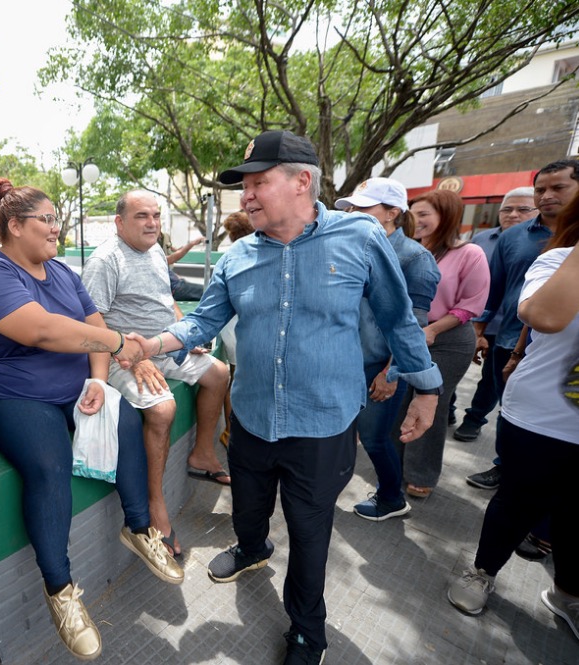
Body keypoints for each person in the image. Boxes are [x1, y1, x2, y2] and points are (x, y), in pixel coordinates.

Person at [126, 130, 443, 665]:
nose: (246, 196)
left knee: (310, 530)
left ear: (302, 181)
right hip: (251, 416)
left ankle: (307, 631)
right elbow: (205, 319)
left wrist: (427, 388)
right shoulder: (237, 256)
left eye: (257, 183)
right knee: (248, 506)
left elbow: (397, 317)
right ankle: (252, 549)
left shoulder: (360, 237)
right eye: (243, 186)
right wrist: (150, 344)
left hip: (322, 425)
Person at [0, 179, 183, 662]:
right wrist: (120, 346)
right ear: (15, 226)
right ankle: (61, 590)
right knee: (49, 463)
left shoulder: (61, 272)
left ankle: (140, 528)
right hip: (13, 396)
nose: (57, 228)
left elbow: (96, 330)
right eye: (48, 220)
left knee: (124, 422)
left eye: (58, 219)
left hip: (76, 389)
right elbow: (42, 330)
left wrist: (99, 382)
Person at [446, 192, 579, 645]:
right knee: (519, 499)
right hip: (547, 417)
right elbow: (539, 314)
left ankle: (566, 594)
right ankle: (483, 569)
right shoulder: (558, 259)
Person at [82, 190, 230, 558]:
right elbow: (91, 321)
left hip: (166, 347)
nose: (152, 223)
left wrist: (184, 334)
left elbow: (168, 302)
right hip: (125, 358)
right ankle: (155, 506)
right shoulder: (105, 261)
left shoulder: (155, 253)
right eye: (141, 216)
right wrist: (131, 352)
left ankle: (202, 455)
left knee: (220, 374)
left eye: (156, 216)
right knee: (163, 411)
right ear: (119, 222)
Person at [465, 160, 579, 490]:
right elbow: (496, 289)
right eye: (540, 189)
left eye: (558, 187)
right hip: (514, 339)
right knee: (511, 408)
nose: (547, 196)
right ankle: (506, 467)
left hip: (567, 350)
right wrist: (478, 330)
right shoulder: (514, 238)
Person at [333, 177, 440, 521]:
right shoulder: (349, 248)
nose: (352, 213)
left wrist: (391, 373)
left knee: (376, 439)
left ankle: (392, 497)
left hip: (381, 365)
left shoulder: (415, 258)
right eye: (350, 207)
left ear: (394, 212)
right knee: (342, 434)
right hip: (347, 361)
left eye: (363, 208)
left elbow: (413, 327)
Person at [393, 189, 490, 498]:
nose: (416, 221)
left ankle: (421, 474)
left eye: (424, 214)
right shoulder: (408, 250)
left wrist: (433, 329)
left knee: (430, 403)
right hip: (408, 335)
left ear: (446, 216)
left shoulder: (470, 253)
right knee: (398, 404)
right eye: (413, 214)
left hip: (448, 339)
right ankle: (394, 467)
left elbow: (471, 305)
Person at [452, 187, 537, 443]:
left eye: (522, 209)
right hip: (475, 320)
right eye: (507, 209)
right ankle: (445, 409)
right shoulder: (481, 239)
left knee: (492, 377)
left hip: (514, 326)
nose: (513, 214)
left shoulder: (547, 241)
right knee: (456, 368)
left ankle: (474, 419)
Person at [218, 211, 255, 447]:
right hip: (244, 325)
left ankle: (231, 430)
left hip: (230, 326)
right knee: (241, 380)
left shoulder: (229, 255)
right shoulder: (253, 251)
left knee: (234, 378)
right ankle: (236, 431)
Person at [160, 231, 205, 301]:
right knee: (209, 291)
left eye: (156, 219)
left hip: (175, 281)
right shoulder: (149, 248)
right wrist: (192, 243)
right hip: (174, 288)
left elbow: (174, 251)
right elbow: (172, 258)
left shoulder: (165, 237)